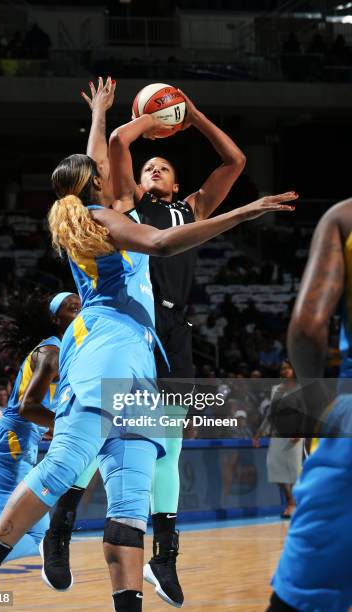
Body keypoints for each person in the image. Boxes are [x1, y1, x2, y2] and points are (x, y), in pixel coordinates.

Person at [0, 111, 297, 612]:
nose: (118, 172)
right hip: (105, 344)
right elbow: (158, 242)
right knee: (67, 461)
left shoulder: (96, 212)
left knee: (131, 497)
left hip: (140, 352)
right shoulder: (103, 216)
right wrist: (244, 213)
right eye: (107, 173)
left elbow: (101, 155)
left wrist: (103, 113)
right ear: (98, 185)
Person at [89, 79, 247, 607]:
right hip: (131, 327)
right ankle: (62, 522)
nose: (153, 169)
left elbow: (235, 161)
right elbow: (116, 145)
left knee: (170, 449)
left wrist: (194, 116)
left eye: (164, 167)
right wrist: (150, 122)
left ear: (177, 187)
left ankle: (165, 553)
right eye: (148, 166)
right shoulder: (127, 205)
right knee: (102, 437)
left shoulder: (194, 210)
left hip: (176, 333)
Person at [0, 291, 90, 600]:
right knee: (32, 534)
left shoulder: (67, 351)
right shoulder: (52, 350)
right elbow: (28, 407)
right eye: (69, 306)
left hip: (12, 442)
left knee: (5, 534)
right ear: (55, 319)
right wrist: (67, 425)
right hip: (9, 443)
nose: (78, 306)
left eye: (80, 304)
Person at [268, 198, 352, 611]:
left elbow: (306, 330)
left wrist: (319, 403)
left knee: (300, 601)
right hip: (292, 436)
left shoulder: (344, 216)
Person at [253, 360, 303, 519]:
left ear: (294, 370)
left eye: (287, 368)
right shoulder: (276, 389)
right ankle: (290, 500)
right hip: (277, 434)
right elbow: (270, 414)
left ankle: (294, 504)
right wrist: (260, 432)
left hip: (294, 434)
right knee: (274, 467)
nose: (284, 371)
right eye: (282, 368)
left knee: (294, 470)